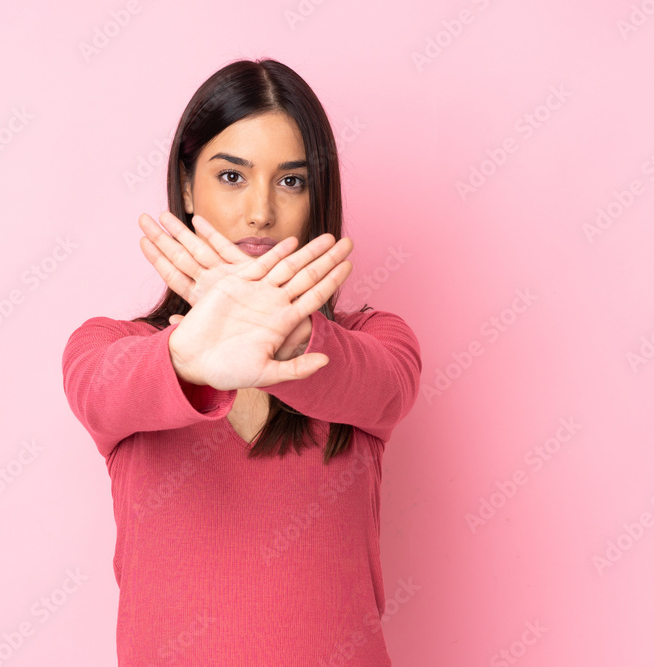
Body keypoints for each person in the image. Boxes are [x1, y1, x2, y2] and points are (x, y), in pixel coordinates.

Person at [62, 58, 422, 665]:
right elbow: (99, 390)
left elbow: (384, 386)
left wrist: (284, 334)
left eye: (291, 181)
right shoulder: (108, 346)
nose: (260, 212)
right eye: (232, 176)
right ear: (185, 186)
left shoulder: (377, 341)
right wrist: (185, 360)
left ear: (318, 196)